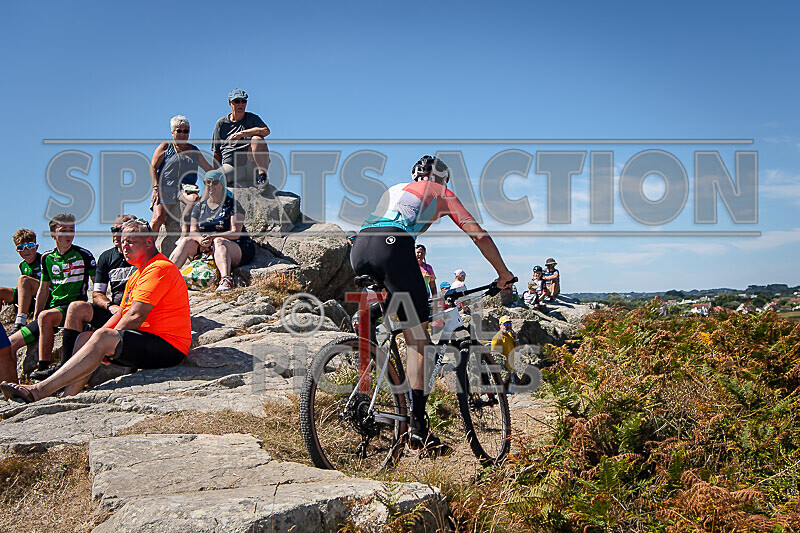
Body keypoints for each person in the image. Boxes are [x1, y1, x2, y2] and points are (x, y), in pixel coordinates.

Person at [351, 155, 515, 456]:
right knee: (419, 340)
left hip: (360, 247)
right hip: (393, 246)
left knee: (400, 303)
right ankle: (418, 428)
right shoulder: (442, 192)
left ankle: (373, 312)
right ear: (442, 179)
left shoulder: (396, 188)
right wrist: (502, 273)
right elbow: (477, 233)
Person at [0, 219, 191, 403]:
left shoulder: (159, 268)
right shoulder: (138, 273)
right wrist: (97, 337)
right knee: (86, 338)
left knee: (102, 338)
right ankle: (69, 396)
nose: (125, 247)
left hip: (169, 347)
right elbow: (121, 313)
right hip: (146, 338)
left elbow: (135, 316)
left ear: (149, 242)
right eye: (123, 242)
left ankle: (38, 391)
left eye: (131, 242)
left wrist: (106, 343)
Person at [30, 215, 138, 381]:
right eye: (113, 230)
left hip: (137, 313)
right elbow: (97, 293)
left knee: (62, 313)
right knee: (76, 308)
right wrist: (110, 306)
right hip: (112, 311)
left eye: (121, 230)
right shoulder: (105, 257)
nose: (116, 234)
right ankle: (61, 367)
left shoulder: (143, 256)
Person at [1, 214, 96, 384]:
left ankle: (43, 368)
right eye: (63, 231)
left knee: (46, 317)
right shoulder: (47, 258)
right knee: (9, 344)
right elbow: (43, 291)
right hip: (51, 310)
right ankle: (13, 388)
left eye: (71, 230)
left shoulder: (84, 255)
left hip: (72, 308)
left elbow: (97, 284)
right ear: (53, 234)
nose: (68, 234)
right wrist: (36, 317)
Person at [169, 170, 256, 291]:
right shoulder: (199, 207)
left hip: (236, 247)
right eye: (207, 182)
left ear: (222, 184)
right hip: (207, 246)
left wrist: (212, 238)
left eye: (214, 182)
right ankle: (166, 276)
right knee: (186, 241)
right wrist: (200, 240)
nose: (210, 186)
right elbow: (193, 230)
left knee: (219, 241)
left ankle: (226, 280)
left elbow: (235, 232)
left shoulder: (232, 204)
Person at [149, 115, 217, 244]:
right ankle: (147, 248)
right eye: (179, 131)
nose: (182, 134)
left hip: (186, 188)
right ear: (172, 132)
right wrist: (156, 187)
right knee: (158, 217)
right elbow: (153, 167)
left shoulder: (194, 150)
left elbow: (208, 168)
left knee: (194, 199)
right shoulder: (165, 147)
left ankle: (183, 235)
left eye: (186, 131)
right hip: (166, 187)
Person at [211, 88, 271, 188]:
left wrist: (242, 134)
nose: (240, 104)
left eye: (243, 101)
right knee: (215, 178)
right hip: (232, 167)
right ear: (230, 103)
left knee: (257, 139)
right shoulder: (221, 124)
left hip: (251, 165)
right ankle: (230, 185)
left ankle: (262, 176)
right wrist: (215, 172)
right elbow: (217, 153)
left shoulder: (252, 118)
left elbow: (266, 131)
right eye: (237, 101)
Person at [0, 229, 45, 334]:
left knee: (23, 279)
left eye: (29, 246)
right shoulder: (22, 265)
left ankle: (20, 322)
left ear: (36, 247)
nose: (26, 251)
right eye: (21, 248)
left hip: (44, 296)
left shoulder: (44, 260)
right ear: (17, 250)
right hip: (29, 299)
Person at [490, 316, 530, 388]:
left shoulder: (510, 335)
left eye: (509, 324)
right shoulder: (496, 339)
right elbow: (495, 358)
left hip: (512, 370)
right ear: (500, 325)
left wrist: (516, 339)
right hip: (504, 373)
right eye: (505, 324)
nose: (508, 326)